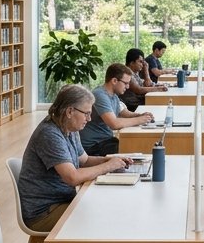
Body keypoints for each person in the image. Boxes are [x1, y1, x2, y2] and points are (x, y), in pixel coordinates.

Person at [17, 84, 131, 232]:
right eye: (86, 113)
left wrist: (112, 160)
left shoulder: (69, 128)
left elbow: (84, 161)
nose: (89, 119)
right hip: (43, 212)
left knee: (108, 208)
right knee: (103, 217)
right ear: (70, 111)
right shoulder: (49, 134)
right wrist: (108, 166)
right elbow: (72, 177)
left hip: (62, 201)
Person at [81, 63, 155, 155]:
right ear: (114, 81)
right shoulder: (100, 95)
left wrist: (141, 115)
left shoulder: (114, 95)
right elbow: (114, 124)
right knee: (134, 148)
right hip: (94, 147)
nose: (128, 87)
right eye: (126, 83)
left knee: (137, 146)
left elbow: (124, 113)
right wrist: (140, 120)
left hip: (105, 141)